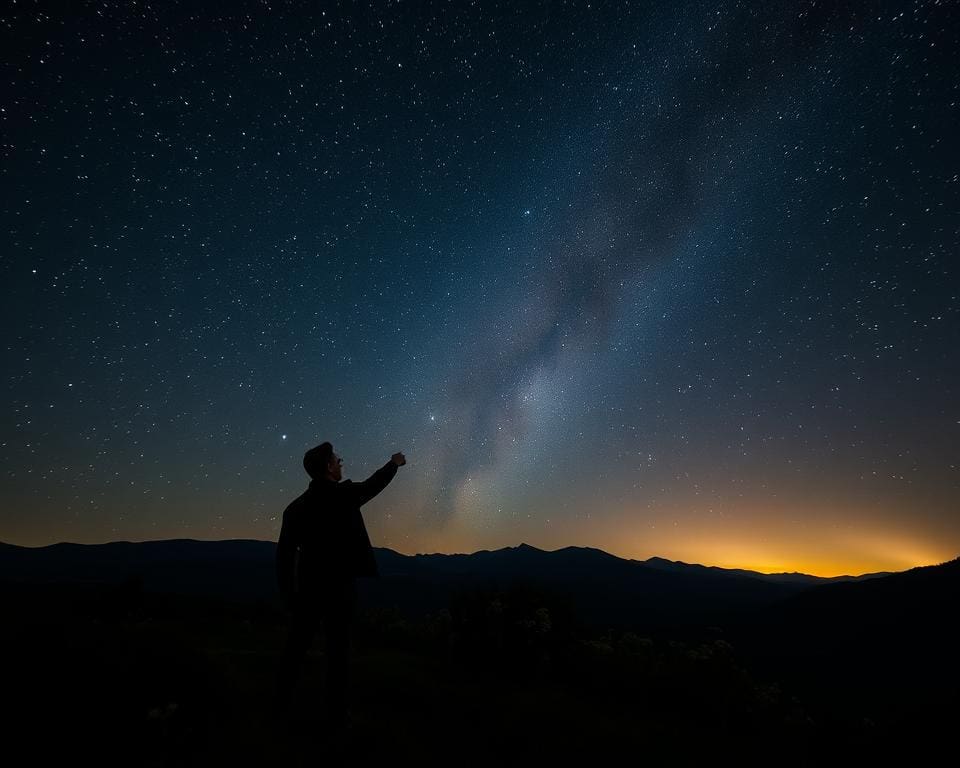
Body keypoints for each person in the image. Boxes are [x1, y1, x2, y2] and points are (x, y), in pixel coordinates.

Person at [274, 442, 405, 733]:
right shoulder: (342, 496)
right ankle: (335, 717)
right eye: (336, 460)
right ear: (328, 468)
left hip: (308, 589)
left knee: (295, 649)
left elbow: (283, 557)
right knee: (337, 653)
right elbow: (373, 485)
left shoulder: (295, 508)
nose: (340, 462)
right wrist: (393, 463)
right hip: (340, 588)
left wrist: (288, 596)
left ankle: (279, 706)